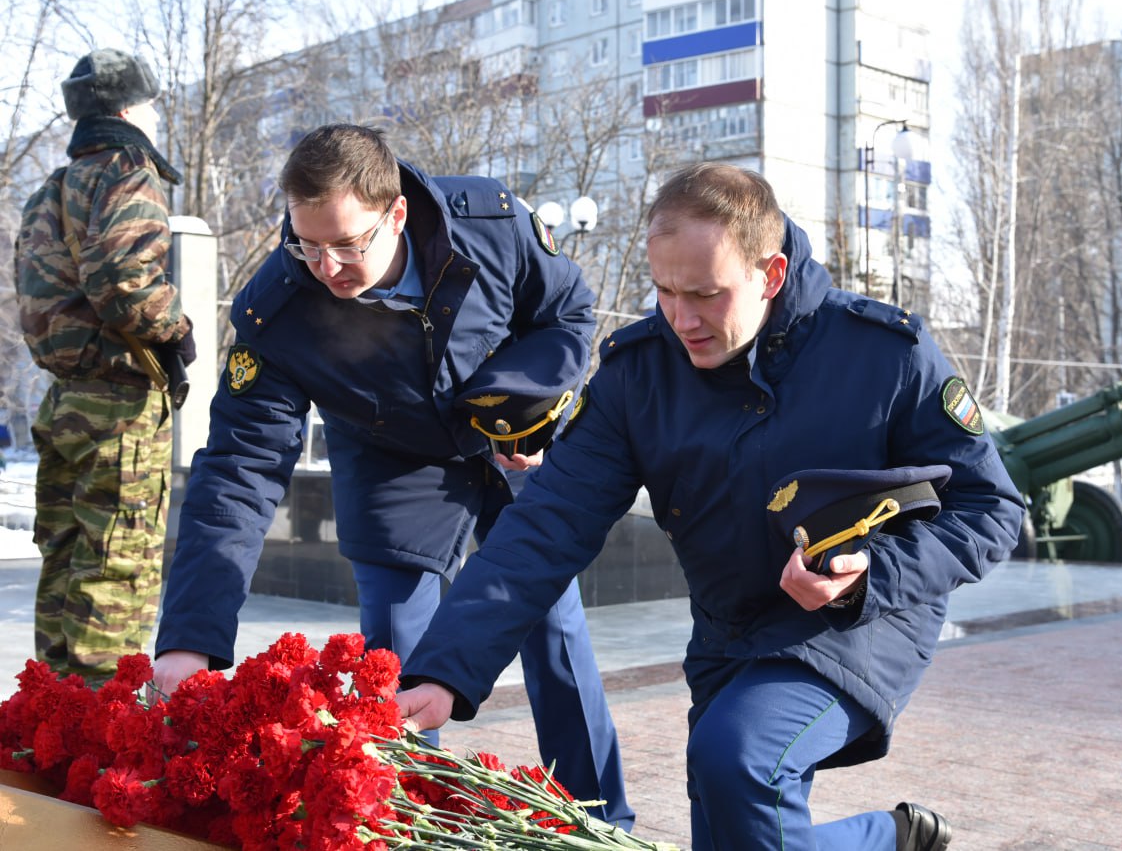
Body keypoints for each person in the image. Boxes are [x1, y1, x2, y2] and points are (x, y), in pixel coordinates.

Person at [395, 162, 1026, 849]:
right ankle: (886, 841)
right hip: (728, 631)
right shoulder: (639, 375)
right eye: (664, 290)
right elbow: (549, 523)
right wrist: (446, 669)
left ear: (771, 274)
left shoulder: (885, 355)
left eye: (705, 294)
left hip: (859, 623)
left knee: (738, 761)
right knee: (734, 824)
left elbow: (990, 507)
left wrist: (869, 574)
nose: (680, 318)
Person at [149, 124, 633, 828]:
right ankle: (404, 829)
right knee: (396, 672)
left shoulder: (490, 227)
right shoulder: (277, 312)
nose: (327, 266)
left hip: (508, 438)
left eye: (347, 244)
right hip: (391, 466)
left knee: (553, 631)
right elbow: (238, 472)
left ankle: (600, 822)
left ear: (396, 213)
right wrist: (190, 634)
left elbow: (565, 313)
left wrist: (529, 404)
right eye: (306, 244)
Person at [14, 48, 195, 686]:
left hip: (65, 401)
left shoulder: (52, 190)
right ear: (128, 108)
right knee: (117, 568)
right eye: (150, 104)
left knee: (65, 564)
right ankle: (98, 742)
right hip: (120, 407)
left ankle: (51, 729)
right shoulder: (128, 172)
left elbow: (37, 305)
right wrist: (176, 331)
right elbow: (123, 280)